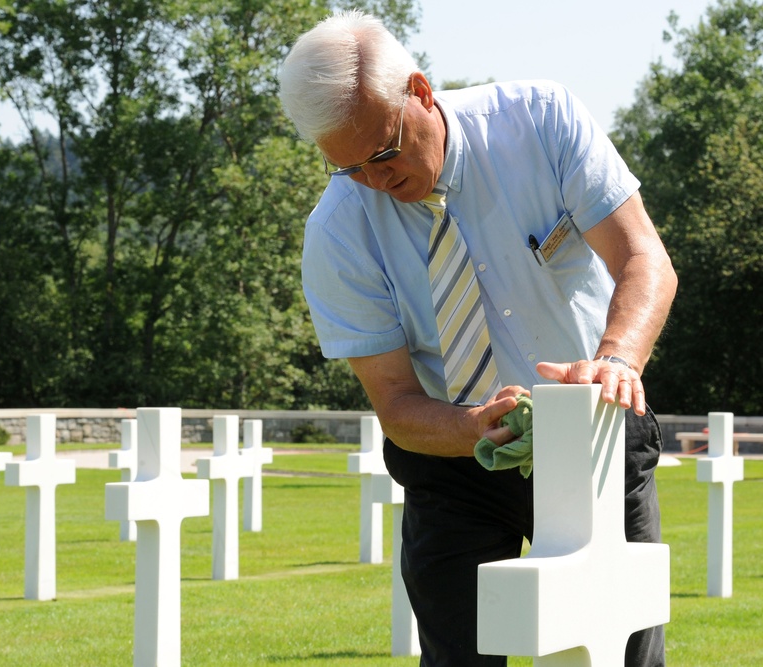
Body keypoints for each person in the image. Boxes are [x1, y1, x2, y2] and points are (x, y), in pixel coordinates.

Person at [278, 11, 676, 667]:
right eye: (347, 168)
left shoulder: (541, 120)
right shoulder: (337, 230)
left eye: (383, 152)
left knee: (623, 656)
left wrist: (616, 361)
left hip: (595, 429)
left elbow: (644, 261)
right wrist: (475, 427)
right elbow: (397, 403)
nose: (376, 182)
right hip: (454, 460)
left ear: (421, 92)